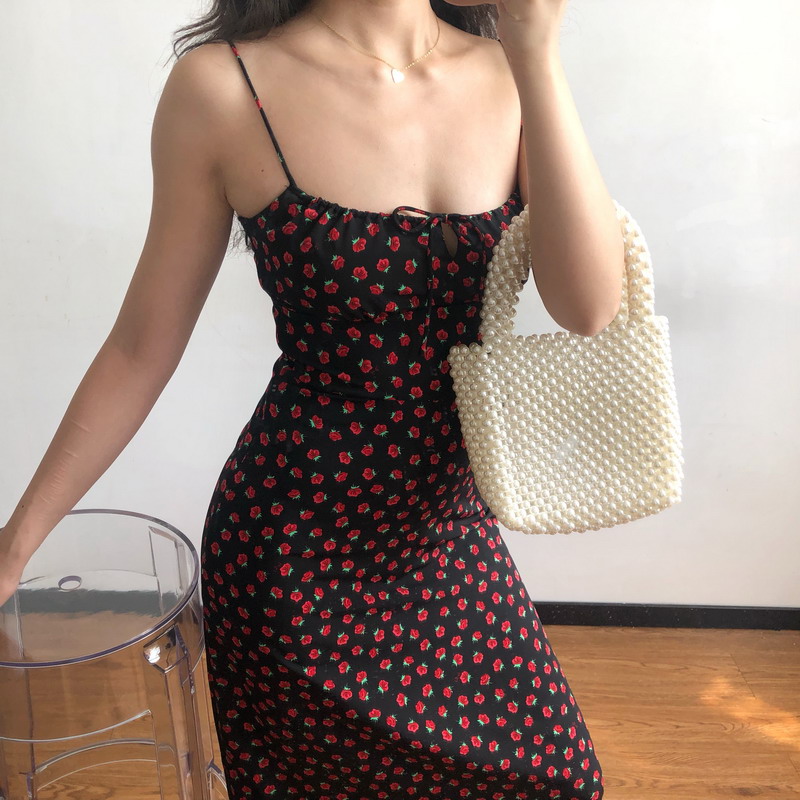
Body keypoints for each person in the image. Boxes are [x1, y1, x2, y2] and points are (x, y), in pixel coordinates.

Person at [1, 1, 625, 797]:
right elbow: (139, 349)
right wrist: (14, 546)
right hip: (291, 562)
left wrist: (535, 54)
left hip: (447, 533)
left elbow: (589, 307)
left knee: (556, 778)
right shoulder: (225, 87)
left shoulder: (509, 72)